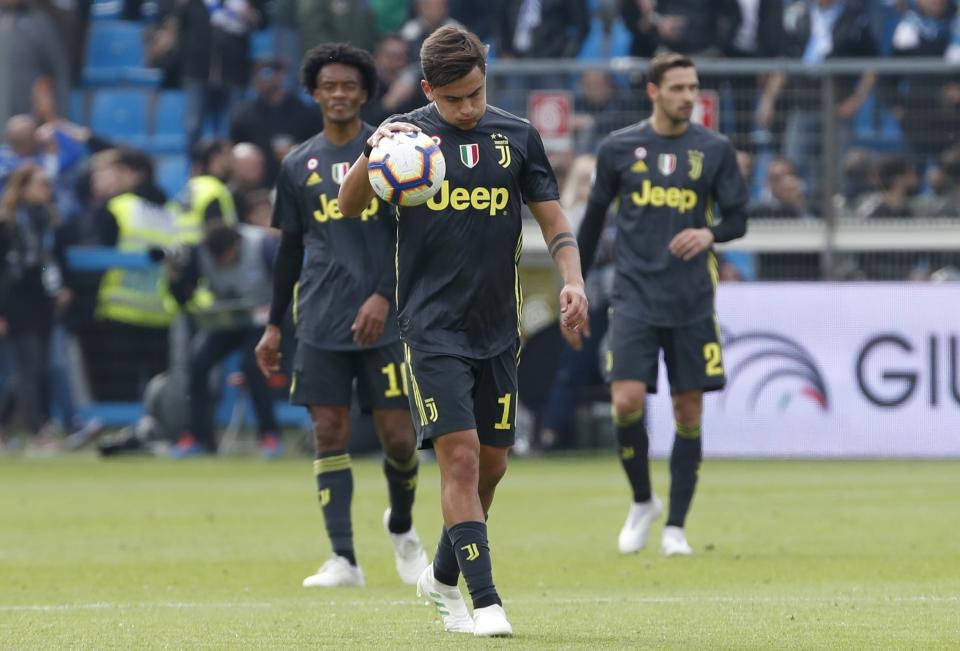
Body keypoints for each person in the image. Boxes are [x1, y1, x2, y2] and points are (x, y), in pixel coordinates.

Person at [338, 25, 588, 637]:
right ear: (429, 90)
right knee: (461, 459)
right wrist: (372, 150)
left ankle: (441, 578)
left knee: (492, 468)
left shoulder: (517, 136)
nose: (467, 108)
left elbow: (555, 222)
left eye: (475, 94)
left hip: (499, 328)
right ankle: (487, 603)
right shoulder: (402, 140)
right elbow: (349, 208)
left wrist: (573, 281)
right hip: (430, 328)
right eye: (453, 99)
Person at [254, 43, 429, 590]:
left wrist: (382, 294)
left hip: (386, 318)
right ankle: (344, 559)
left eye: (349, 85)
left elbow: (413, 238)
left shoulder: (393, 152)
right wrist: (275, 324)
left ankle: (401, 528)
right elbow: (289, 250)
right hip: (322, 321)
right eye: (328, 85)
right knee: (328, 432)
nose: (338, 94)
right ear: (314, 91)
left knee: (398, 438)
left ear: (365, 92)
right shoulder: (296, 164)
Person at [573, 53, 748, 558]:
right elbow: (591, 222)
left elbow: (738, 218)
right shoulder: (619, 148)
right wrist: (576, 284)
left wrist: (709, 231)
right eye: (678, 88)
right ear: (654, 92)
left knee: (687, 410)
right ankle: (642, 500)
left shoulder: (714, 150)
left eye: (693, 87)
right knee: (626, 401)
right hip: (633, 296)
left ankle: (676, 526)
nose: (688, 96)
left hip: (692, 299)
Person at [167, 223, 281, 458]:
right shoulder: (202, 253)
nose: (220, 263)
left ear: (236, 244)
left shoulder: (263, 246)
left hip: (264, 322)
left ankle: (270, 435)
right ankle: (199, 436)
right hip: (227, 321)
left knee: (253, 366)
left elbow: (288, 282)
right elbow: (183, 296)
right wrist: (175, 275)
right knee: (197, 363)